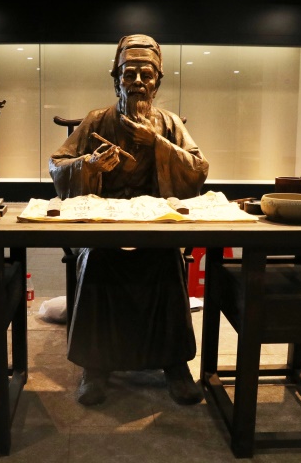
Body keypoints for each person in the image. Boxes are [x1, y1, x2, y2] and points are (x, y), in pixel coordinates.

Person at [49, 34, 210, 406]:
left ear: (157, 81)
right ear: (116, 78)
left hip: (154, 225)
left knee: (167, 261)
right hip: (103, 225)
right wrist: (89, 165)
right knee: (96, 258)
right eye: (129, 73)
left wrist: (158, 144)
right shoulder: (97, 120)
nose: (137, 81)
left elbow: (198, 169)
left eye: (146, 74)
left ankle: (175, 365)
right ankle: (95, 367)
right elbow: (57, 163)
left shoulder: (169, 123)